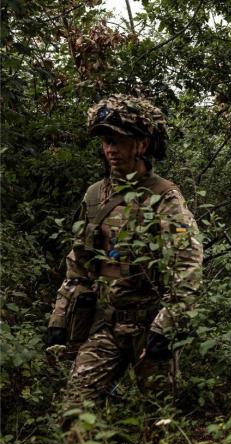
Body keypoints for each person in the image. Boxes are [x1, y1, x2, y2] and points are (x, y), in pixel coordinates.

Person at [45, 94, 203, 421]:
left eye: (119, 141)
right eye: (106, 141)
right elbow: (78, 264)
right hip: (105, 324)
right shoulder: (94, 196)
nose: (111, 150)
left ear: (142, 145)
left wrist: (166, 327)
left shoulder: (164, 198)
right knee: (74, 414)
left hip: (150, 325)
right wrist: (59, 319)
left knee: (161, 423)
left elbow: (187, 268)